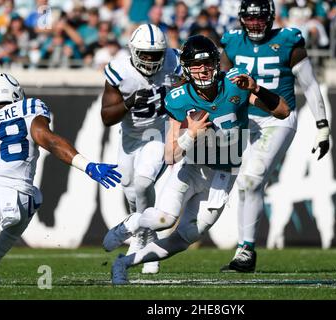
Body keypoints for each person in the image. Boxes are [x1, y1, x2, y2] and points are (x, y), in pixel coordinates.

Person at [104, 35, 290, 285]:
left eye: (207, 63)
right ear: (186, 68)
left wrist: (256, 89)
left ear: (217, 63)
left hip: (224, 173)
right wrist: (190, 134)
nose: (202, 70)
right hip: (190, 167)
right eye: (195, 65)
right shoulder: (179, 98)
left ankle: (124, 263)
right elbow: (170, 155)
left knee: (186, 238)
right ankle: (133, 221)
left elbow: (283, 112)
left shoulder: (236, 84)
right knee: (163, 220)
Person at [219, 0, 330, 273]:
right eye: (250, 18)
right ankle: (242, 249)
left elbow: (311, 85)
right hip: (243, 118)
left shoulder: (288, 40)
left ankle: (246, 249)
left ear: (270, 18)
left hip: (277, 118)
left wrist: (322, 125)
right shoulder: (231, 42)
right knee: (244, 184)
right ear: (241, 18)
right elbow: (221, 83)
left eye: (260, 18)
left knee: (250, 179)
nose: (255, 23)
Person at [0, 73, 121, 265]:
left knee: (33, 197)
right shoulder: (27, 108)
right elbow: (50, 141)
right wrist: (87, 166)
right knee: (34, 198)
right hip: (18, 196)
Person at [100, 23, 182, 274]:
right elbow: (106, 117)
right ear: (133, 51)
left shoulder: (174, 61)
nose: (149, 60)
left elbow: (188, 86)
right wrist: (129, 102)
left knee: (144, 182)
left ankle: (144, 236)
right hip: (130, 137)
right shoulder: (119, 70)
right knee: (130, 190)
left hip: (158, 131)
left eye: (155, 55)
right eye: (144, 54)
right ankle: (142, 232)